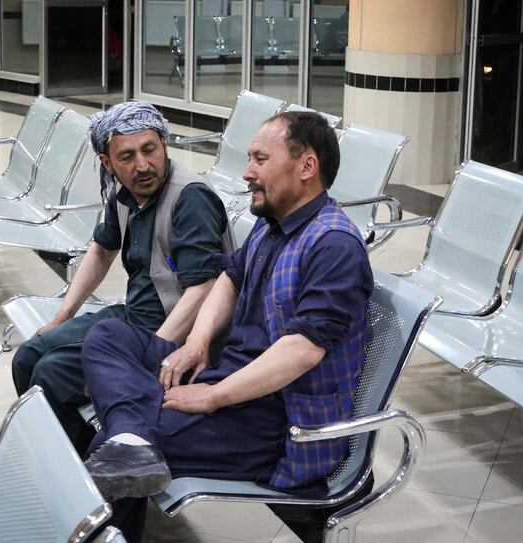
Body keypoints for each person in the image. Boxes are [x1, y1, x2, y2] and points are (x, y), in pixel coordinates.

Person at [81, 111, 374, 542]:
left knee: (111, 453)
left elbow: (302, 350)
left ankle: (129, 434)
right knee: (108, 336)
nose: (247, 172)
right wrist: (197, 343)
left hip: (274, 418)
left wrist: (214, 396)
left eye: (259, 159)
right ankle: (132, 433)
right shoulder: (272, 224)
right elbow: (230, 278)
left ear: (307, 167)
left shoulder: (332, 245)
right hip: (226, 373)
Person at [11, 101, 235, 453]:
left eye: (150, 150)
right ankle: (75, 454)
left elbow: (203, 289)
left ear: (164, 145)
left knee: (51, 373)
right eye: (127, 157)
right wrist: (62, 316)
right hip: (133, 318)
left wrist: (152, 353)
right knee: (27, 358)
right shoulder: (123, 193)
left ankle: (94, 468)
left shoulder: (190, 198)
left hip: (174, 336)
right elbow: (101, 249)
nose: (143, 165)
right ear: (108, 163)